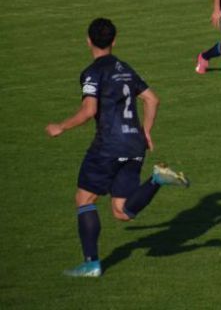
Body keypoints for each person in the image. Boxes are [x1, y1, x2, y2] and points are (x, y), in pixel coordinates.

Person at [45, 18, 190, 278]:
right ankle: (156, 180)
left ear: (88, 40)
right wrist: (145, 131)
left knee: (84, 199)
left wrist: (61, 126)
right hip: (134, 143)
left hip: (109, 145)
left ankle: (91, 264)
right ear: (114, 40)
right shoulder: (126, 68)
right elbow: (152, 99)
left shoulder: (92, 72)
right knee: (122, 211)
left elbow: (89, 111)